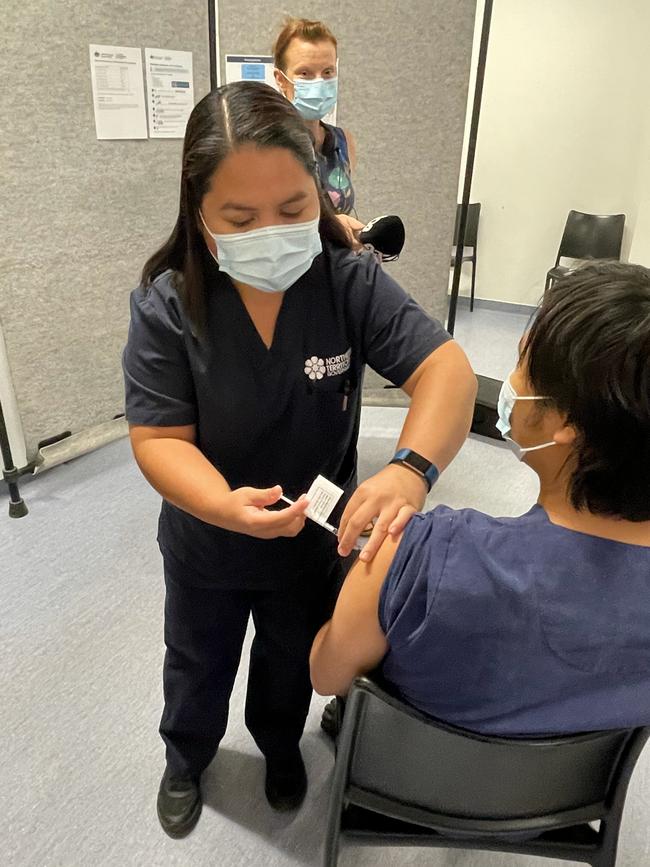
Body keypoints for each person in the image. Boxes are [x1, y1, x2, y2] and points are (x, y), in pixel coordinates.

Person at [122, 81, 477, 838]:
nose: (273, 232)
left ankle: (280, 746)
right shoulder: (169, 303)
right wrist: (221, 505)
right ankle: (185, 757)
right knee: (196, 660)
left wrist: (410, 467)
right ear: (199, 214)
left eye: (293, 209)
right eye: (240, 218)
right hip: (206, 541)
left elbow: (445, 370)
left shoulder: (345, 282)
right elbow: (157, 440)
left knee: (289, 662)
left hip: (312, 538)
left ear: (318, 192)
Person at [311, 262, 650, 737]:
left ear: (565, 426)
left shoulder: (414, 556)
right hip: (557, 802)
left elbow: (326, 675)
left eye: (522, 365)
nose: (510, 383)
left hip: (406, 777)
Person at [273, 18, 358, 220]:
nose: (319, 82)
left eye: (328, 72)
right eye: (305, 73)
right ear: (280, 79)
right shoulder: (265, 145)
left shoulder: (343, 142)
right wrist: (335, 226)